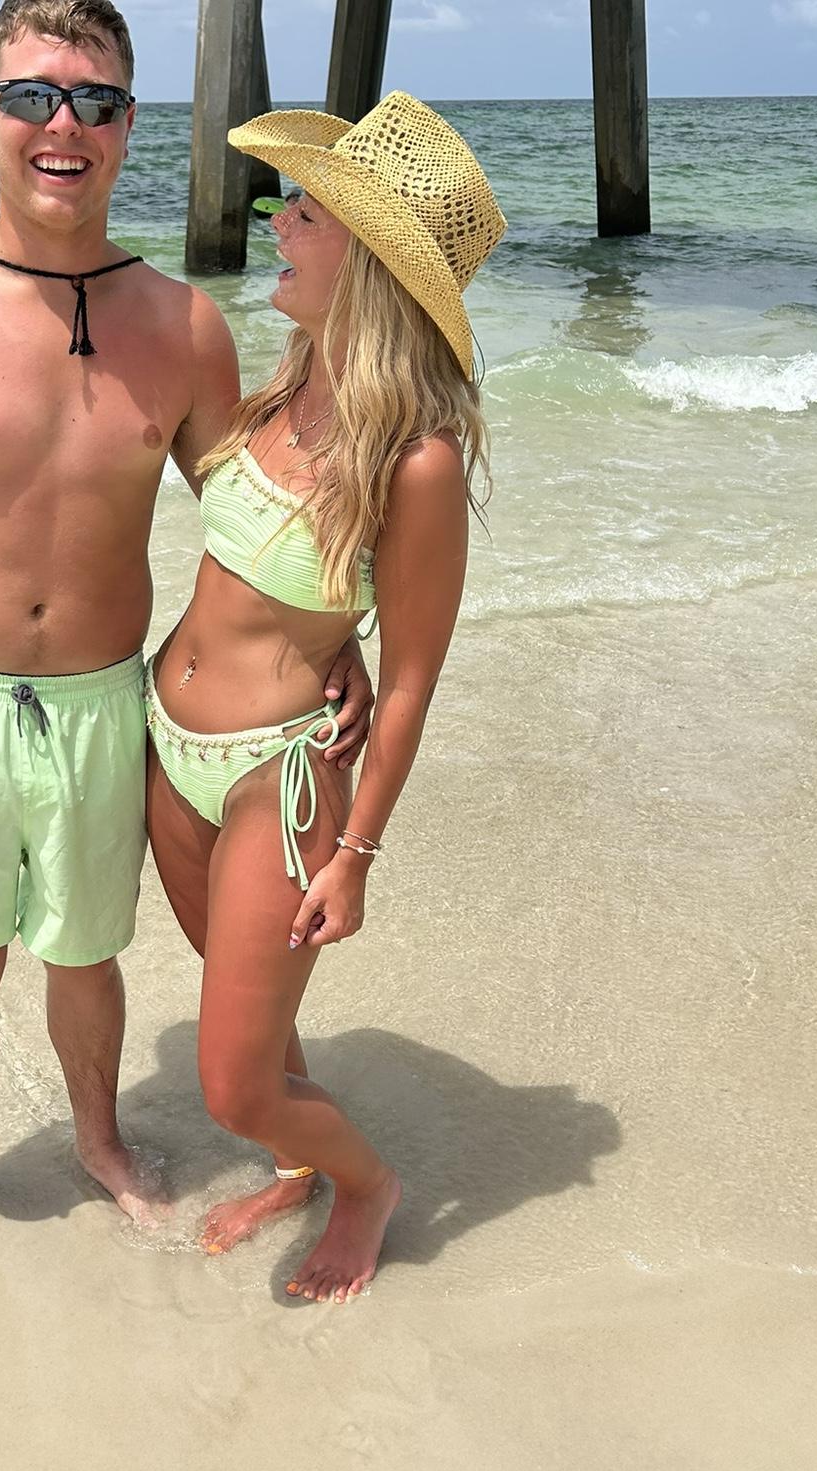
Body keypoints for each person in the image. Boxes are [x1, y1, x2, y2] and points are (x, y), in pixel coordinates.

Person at [0, 0, 372, 1282]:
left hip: (103, 705)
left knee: (85, 955)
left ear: (127, 126)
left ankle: (100, 1138)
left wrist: (339, 636)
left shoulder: (183, 326)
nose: (63, 125)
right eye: (33, 97)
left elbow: (257, 516)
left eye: (96, 102)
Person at [145, 93, 506, 1303]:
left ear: (374, 265)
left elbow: (412, 683)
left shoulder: (419, 461)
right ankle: (299, 1167)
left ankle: (366, 1186)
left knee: (234, 1081)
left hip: (281, 778)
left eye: (305, 212)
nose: (276, 224)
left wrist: (356, 856)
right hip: (167, 748)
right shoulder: (280, 391)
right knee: (251, 1019)